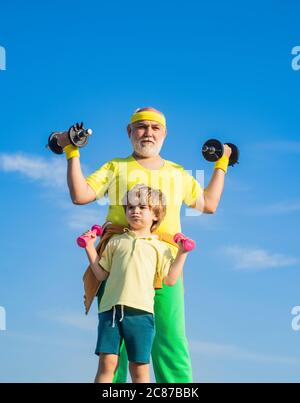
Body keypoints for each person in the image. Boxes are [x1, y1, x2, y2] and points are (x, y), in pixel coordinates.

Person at [58, 107, 232, 383]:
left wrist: (222, 163)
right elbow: (80, 195)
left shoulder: (178, 173)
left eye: (155, 127)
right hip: (121, 262)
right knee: (117, 346)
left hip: (165, 264)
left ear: (164, 133)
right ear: (129, 132)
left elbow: (208, 204)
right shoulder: (116, 167)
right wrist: (71, 151)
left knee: (169, 336)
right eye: (141, 127)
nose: (148, 132)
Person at [82, 184, 191, 383]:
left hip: (141, 314)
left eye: (142, 207)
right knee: (107, 365)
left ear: (156, 215)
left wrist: (182, 253)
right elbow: (100, 275)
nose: (135, 211)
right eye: (130, 207)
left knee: (139, 370)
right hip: (111, 312)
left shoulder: (160, 247)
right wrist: (89, 248)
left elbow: (170, 279)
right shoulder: (116, 242)